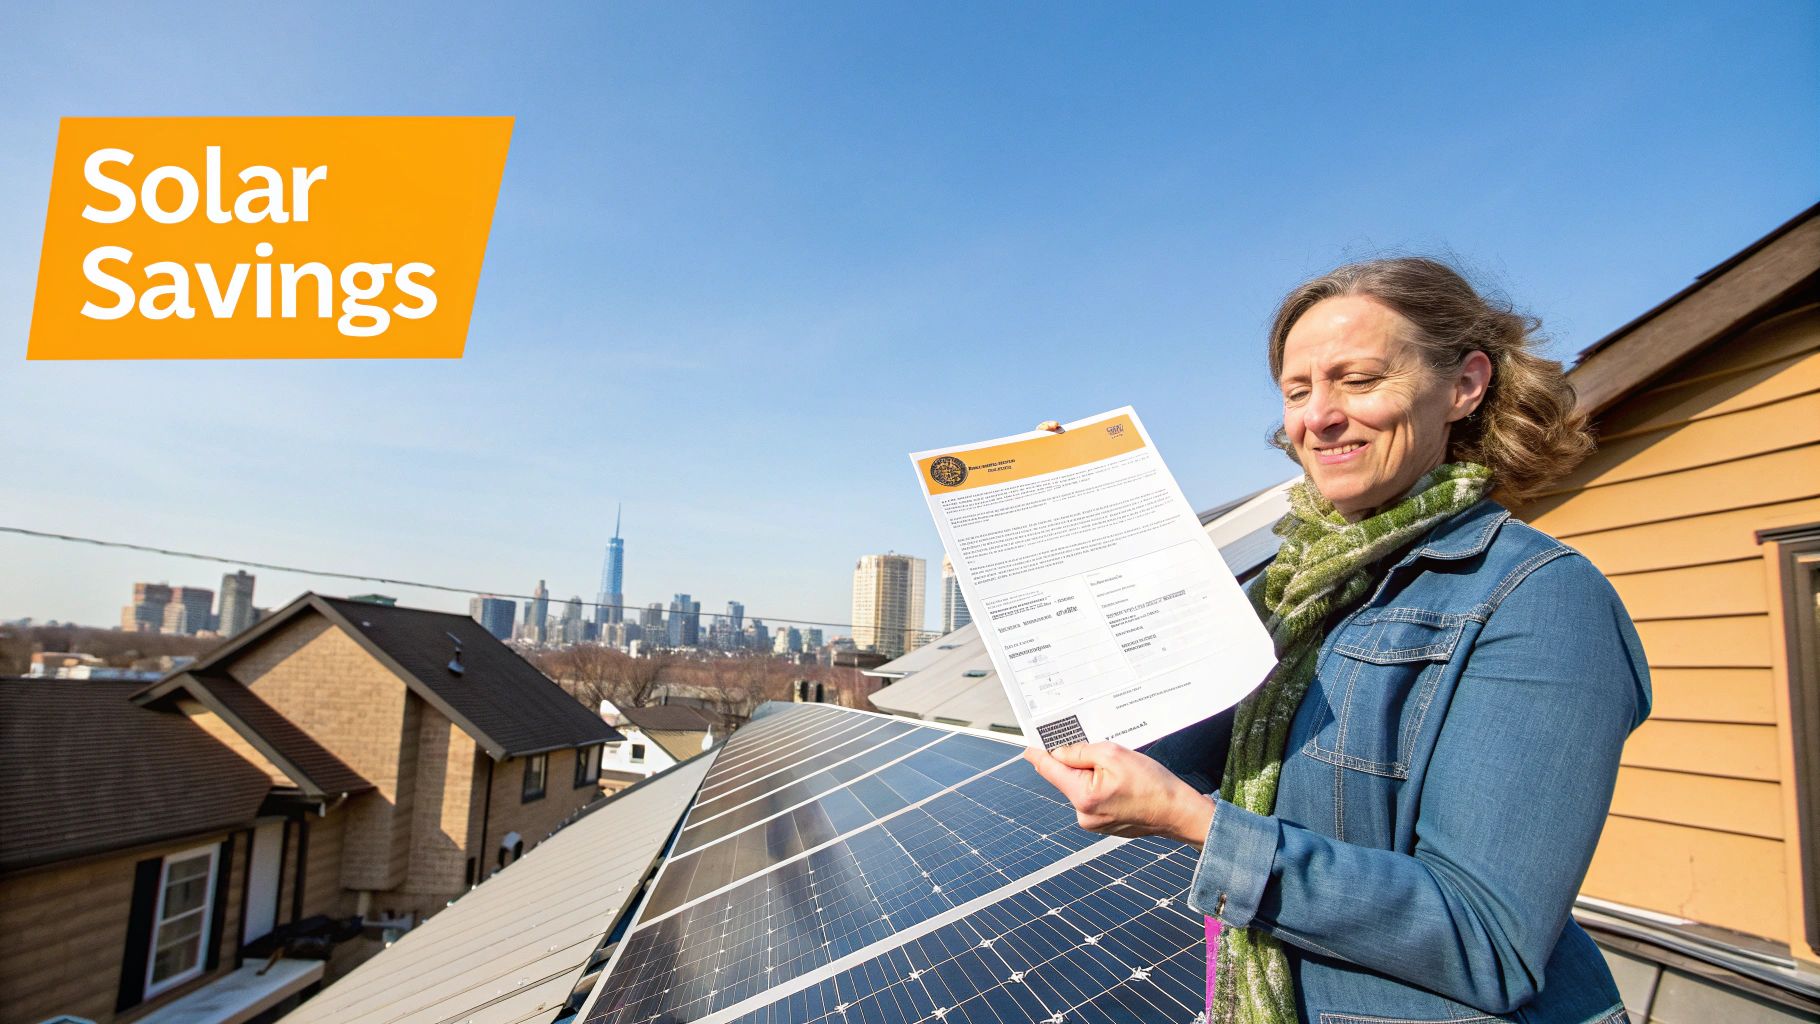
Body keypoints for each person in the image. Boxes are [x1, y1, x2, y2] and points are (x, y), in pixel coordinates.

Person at [1024, 257, 1648, 1024]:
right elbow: (1150, 745)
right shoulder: (1291, 589)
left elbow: (1486, 941)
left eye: (1357, 379)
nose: (1318, 415)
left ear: (1466, 385)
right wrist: (1078, 538)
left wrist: (1198, 825)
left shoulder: (1539, 598)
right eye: (1297, 390)